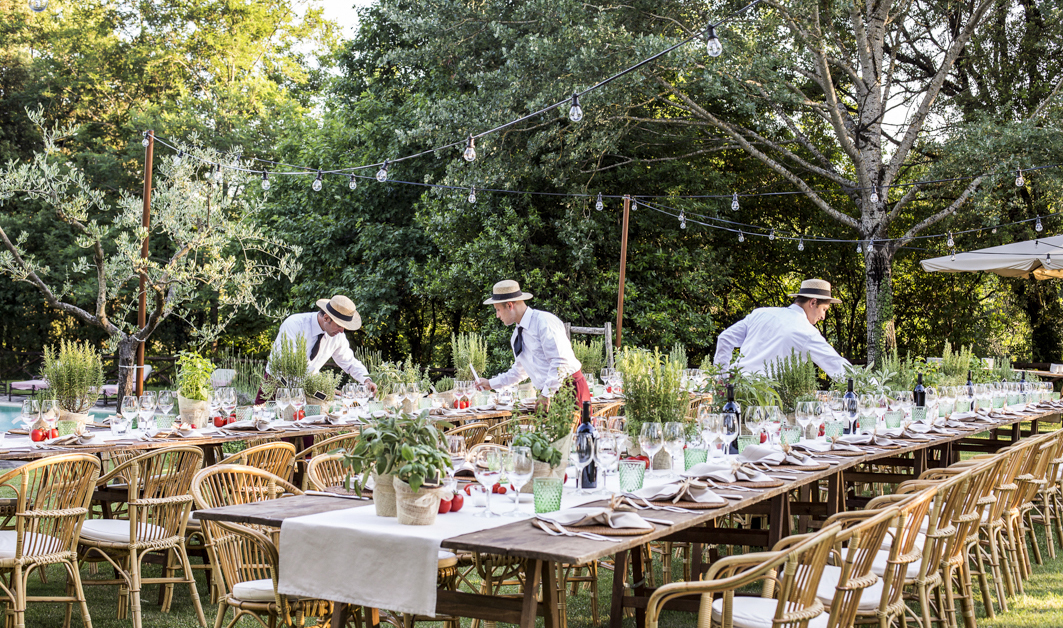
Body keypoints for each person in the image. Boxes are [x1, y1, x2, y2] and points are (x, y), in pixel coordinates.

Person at [474, 280, 590, 411]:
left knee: (578, 431)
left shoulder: (544, 322)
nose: (497, 315)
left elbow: (560, 362)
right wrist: (490, 383)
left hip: (570, 390)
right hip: (547, 396)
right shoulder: (516, 336)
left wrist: (546, 394)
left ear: (510, 305)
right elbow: (519, 372)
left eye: (498, 310)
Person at [713, 278, 851, 378]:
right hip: (768, 402)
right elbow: (836, 365)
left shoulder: (760, 313)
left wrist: (721, 377)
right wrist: (870, 387)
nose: (823, 316)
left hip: (735, 387)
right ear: (813, 302)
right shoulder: (806, 332)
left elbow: (725, 338)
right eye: (824, 309)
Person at [256, 295, 377, 404]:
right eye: (339, 325)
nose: (342, 331)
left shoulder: (337, 336)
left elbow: (350, 362)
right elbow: (286, 367)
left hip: (309, 391)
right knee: (260, 422)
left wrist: (366, 380)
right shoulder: (294, 325)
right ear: (326, 318)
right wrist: (318, 388)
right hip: (276, 386)